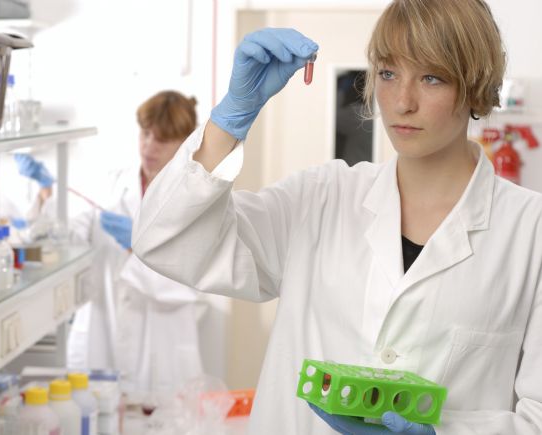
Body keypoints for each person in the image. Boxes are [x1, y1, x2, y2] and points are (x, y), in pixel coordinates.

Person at [132, 2, 542, 434]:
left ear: (476, 86)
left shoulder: (530, 231)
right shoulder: (321, 197)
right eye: (388, 73)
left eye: (431, 78)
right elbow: (166, 240)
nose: (402, 102)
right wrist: (229, 120)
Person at [15, 90, 205, 394]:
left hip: (160, 349)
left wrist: (138, 247)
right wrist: (48, 192)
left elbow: (192, 284)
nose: (149, 146)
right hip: (102, 335)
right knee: (95, 409)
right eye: (145, 134)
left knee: (158, 413)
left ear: (184, 143)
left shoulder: (195, 199)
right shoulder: (111, 184)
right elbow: (71, 238)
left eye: (161, 139)